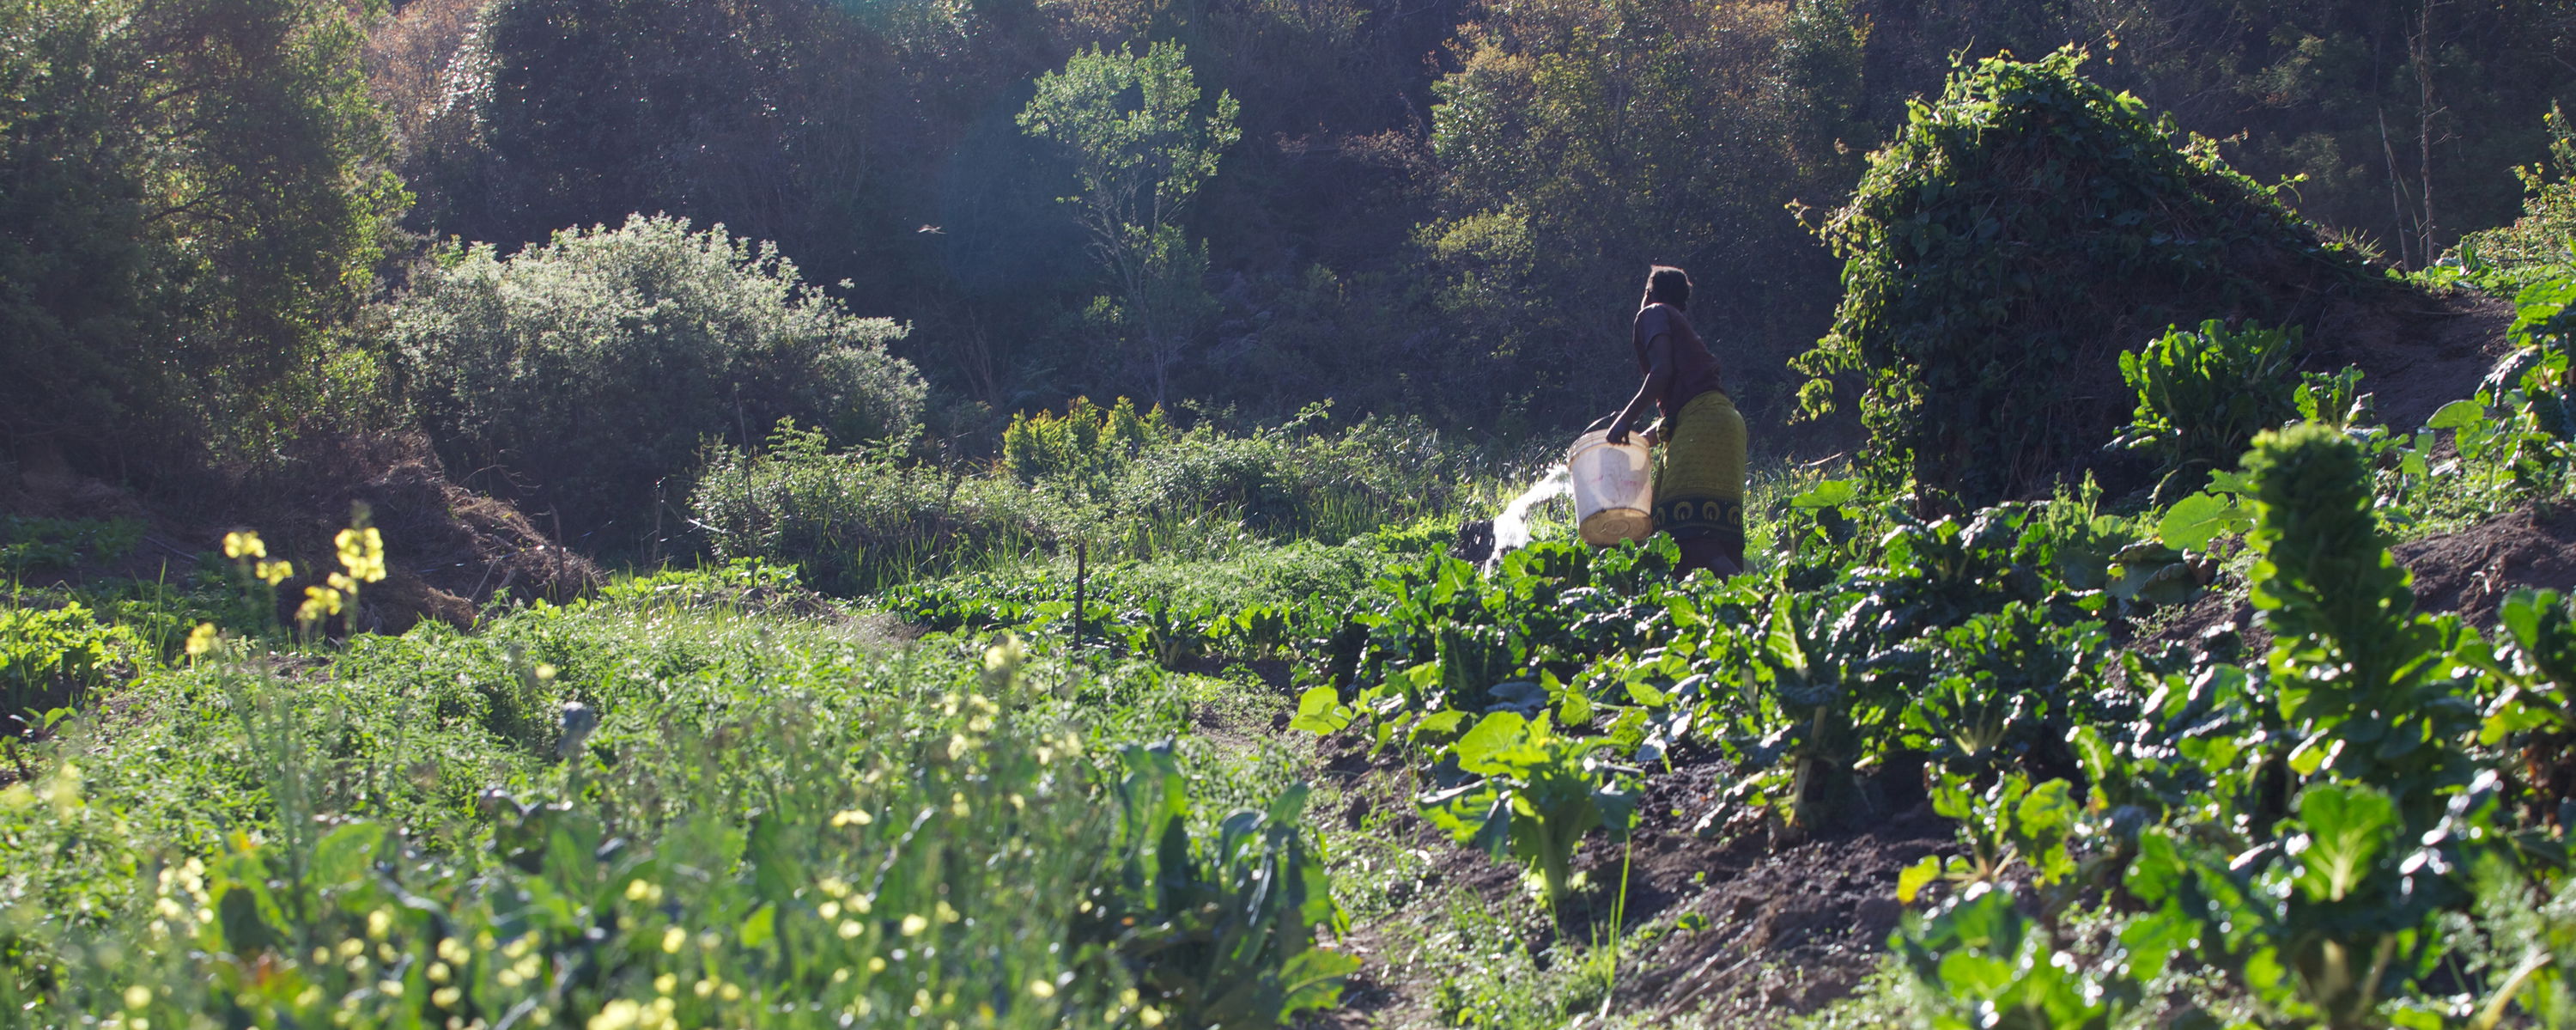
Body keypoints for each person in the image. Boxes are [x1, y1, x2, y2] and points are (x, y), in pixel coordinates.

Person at [1606, 265, 1746, 576]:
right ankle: (1747, 609)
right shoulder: (1682, 330)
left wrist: (1625, 421)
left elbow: (1661, 372)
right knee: (1712, 541)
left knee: (1690, 537)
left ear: (1650, 293)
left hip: (1704, 426)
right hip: (1726, 424)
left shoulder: (1654, 312)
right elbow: (1678, 413)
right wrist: (1640, 440)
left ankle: (1761, 605)